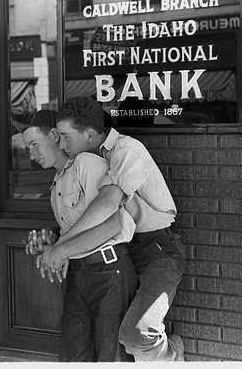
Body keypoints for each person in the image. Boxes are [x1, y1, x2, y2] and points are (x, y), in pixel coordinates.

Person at [38, 95, 186, 361]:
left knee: (136, 334)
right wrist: (55, 237)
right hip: (123, 253)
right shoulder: (86, 162)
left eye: (65, 136)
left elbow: (108, 203)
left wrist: (60, 248)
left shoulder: (126, 150)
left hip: (157, 251)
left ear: (91, 134)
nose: (60, 143)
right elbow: (83, 216)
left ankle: (173, 357)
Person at [15, 109, 139, 362]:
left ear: (53, 134)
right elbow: (76, 230)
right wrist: (49, 238)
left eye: (34, 144)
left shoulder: (86, 163)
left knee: (111, 358)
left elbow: (114, 223)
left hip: (109, 272)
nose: (32, 154)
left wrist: (58, 250)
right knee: (72, 358)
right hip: (79, 275)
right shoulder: (57, 183)